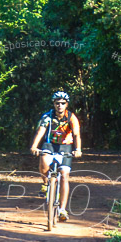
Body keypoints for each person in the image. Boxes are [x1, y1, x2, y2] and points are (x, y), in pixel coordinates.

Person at [29, 90, 82, 221]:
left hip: (66, 147)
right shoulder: (47, 116)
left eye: (62, 103)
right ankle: (46, 183)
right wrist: (34, 146)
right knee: (43, 158)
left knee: (64, 176)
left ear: (67, 104)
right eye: (57, 103)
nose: (60, 106)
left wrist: (78, 149)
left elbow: (76, 134)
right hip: (50, 145)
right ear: (54, 104)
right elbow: (40, 132)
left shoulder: (71, 117)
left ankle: (63, 209)